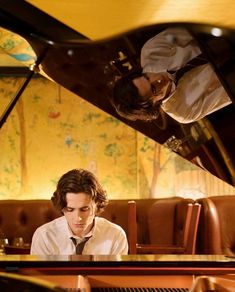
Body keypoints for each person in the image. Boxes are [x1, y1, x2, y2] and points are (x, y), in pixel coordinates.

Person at [111, 27, 232, 124]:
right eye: (154, 89)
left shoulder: (151, 50)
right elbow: (229, 92)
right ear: (153, 106)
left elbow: (195, 27)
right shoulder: (183, 112)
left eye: (146, 77)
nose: (157, 79)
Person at [30, 169, 128, 255]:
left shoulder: (115, 235)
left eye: (84, 209)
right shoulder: (44, 236)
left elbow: (115, 276)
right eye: (70, 209)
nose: (78, 218)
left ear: (97, 204)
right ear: (62, 207)